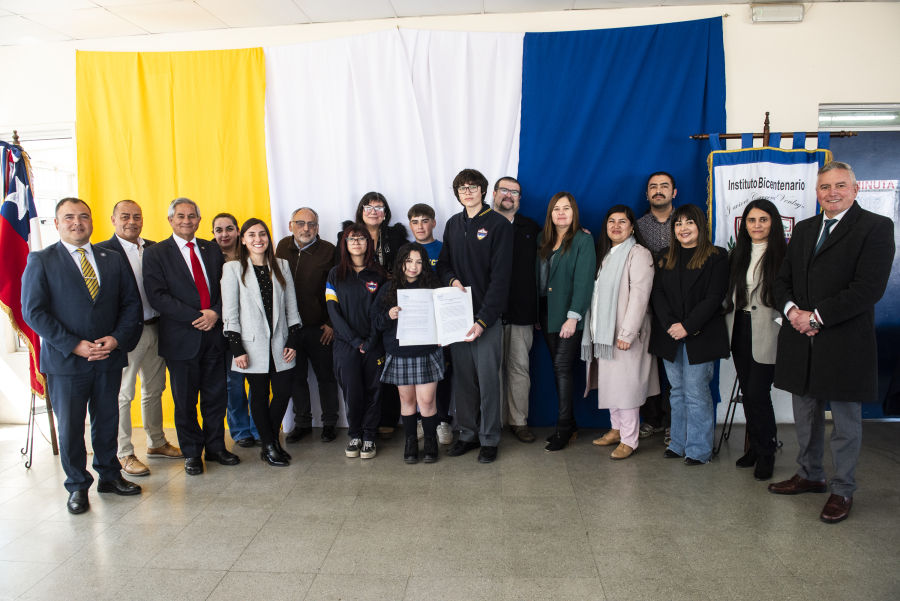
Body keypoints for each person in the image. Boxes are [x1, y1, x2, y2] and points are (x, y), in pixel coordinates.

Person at [768, 161, 894, 524]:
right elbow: (781, 280)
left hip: (843, 343)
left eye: (840, 185)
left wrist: (816, 317)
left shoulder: (876, 227)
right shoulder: (806, 229)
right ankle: (810, 474)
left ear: (856, 189)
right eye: (825, 187)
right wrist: (793, 312)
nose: (832, 192)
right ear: (817, 192)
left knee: (844, 423)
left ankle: (843, 489)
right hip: (799, 339)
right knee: (805, 417)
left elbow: (868, 289)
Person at [22, 198, 143, 514]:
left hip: (108, 358)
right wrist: (74, 344)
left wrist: (116, 340)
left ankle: (109, 476)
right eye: (69, 217)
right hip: (66, 362)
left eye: (84, 216)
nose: (78, 222)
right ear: (57, 222)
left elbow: (131, 304)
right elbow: (34, 312)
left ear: (92, 221)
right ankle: (77, 486)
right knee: (71, 428)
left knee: (107, 420)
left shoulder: (112, 258)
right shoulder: (42, 260)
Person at [144, 198, 239, 476]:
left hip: (214, 335)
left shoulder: (211, 249)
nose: (187, 220)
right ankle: (192, 453)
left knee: (216, 396)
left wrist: (216, 313)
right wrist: (197, 316)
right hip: (181, 338)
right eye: (181, 216)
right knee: (185, 402)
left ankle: (216, 447)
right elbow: (157, 296)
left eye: (192, 216)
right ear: (170, 220)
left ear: (199, 220)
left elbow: (226, 287)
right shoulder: (156, 253)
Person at [95, 200, 182, 478]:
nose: (131, 221)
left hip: (158, 328)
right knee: (124, 394)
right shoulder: (102, 252)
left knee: (155, 389)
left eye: (137, 216)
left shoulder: (155, 248)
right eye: (125, 216)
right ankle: (124, 452)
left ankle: (156, 442)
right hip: (126, 333)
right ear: (113, 219)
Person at [436, 168, 513, 463]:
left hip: (486, 319)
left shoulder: (497, 225)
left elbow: (501, 279)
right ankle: (467, 434)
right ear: (457, 194)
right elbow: (442, 265)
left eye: (473, 187)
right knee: (464, 380)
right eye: (462, 188)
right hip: (457, 318)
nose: (467, 192)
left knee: (488, 381)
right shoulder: (453, 225)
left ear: (483, 191)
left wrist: (483, 320)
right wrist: (453, 280)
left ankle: (490, 439)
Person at [649, 203, 729, 466]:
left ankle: (698, 449)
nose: (683, 228)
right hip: (669, 334)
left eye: (689, 223)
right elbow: (657, 294)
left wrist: (688, 325)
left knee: (696, 393)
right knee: (677, 391)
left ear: (700, 226)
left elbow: (715, 297)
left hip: (700, 335)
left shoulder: (717, 256)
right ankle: (678, 443)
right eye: (678, 223)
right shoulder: (664, 255)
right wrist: (672, 324)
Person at [222, 218, 302, 467]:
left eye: (263, 234)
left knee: (282, 392)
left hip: (281, 343)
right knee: (257, 394)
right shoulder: (233, 269)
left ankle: (269, 440)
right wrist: (237, 349)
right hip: (251, 345)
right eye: (252, 235)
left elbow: (292, 307)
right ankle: (269, 444)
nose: (258, 239)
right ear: (243, 239)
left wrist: (293, 340)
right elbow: (230, 313)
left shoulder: (281, 265)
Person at [583, 205, 658, 459]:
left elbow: (639, 296)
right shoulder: (606, 254)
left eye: (622, 222)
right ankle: (615, 429)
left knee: (626, 389)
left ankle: (630, 439)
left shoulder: (638, 253)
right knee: (611, 385)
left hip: (626, 335)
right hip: (605, 334)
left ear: (632, 226)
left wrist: (627, 334)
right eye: (611, 221)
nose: (616, 226)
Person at [336, 192, 409, 440]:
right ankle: (360, 430)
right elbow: (341, 280)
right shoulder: (346, 238)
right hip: (355, 316)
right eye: (368, 206)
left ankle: (385, 419)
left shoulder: (396, 237)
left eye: (379, 207)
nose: (374, 211)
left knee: (385, 369)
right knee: (357, 381)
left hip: (390, 305)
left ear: (386, 213)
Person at [723, 199, 786, 481]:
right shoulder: (737, 253)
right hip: (739, 327)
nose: (757, 225)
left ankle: (767, 451)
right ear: (744, 224)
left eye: (763, 219)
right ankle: (755, 447)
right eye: (751, 220)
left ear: (773, 222)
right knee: (748, 392)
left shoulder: (784, 254)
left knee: (759, 392)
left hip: (768, 330)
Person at [373, 243, 446, 463]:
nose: (413, 266)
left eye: (418, 261)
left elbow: (444, 319)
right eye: (408, 261)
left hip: (426, 351)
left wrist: (443, 335)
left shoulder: (433, 289)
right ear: (401, 262)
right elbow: (375, 321)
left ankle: (431, 441)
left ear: (424, 265)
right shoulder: (388, 289)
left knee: (427, 400)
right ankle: (411, 441)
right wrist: (389, 315)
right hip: (399, 353)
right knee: (407, 400)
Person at [535, 192, 595, 451]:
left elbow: (584, 282)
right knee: (558, 368)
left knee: (562, 368)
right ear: (550, 213)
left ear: (574, 213)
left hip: (569, 316)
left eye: (566, 208)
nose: (561, 213)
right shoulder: (542, 239)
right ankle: (570, 426)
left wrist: (573, 318)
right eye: (556, 208)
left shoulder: (583, 240)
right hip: (546, 314)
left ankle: (562, 428)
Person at [276, 207, 340, 444]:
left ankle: (330, 423)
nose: (306, 228)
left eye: (311, 224)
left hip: (319, 329)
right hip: (289, 329)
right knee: (296, 378)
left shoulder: (329, 251)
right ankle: (302, 423)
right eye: (300, 223)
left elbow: (337, 288)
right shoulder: (282, 247)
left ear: (317, 227)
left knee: (326, 377)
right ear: (290, 225)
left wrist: (331, 323)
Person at [327, 224, 387, 459]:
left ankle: (370, 436)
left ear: (368, 243)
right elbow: (333, 312)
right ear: (344, 243)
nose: (356, 242)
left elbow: (382, 311)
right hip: (345, 344)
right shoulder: (335, 274)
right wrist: (354, 341)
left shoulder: (379, 275)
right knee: (352, 391)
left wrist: (370, 342)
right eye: (351, 239)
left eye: (361, 238)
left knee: (374, 391)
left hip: (374, 344)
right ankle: (355, 434)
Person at [492, 177, 541, 443]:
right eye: (505, 190)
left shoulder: (530, 227)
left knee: (519, 368)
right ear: (494, 194)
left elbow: (554, 249)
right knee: (491, 370)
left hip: (522, 312)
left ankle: (519, 422)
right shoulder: (482, 224)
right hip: (488, 314)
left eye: (515, 192)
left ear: (519, 199)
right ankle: (494, 422)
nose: (509, 195)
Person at [407, 203, 453, 445]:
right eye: (415, 221)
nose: (420, 226)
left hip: (441, 324)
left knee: (442, 373)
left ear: (434, 223)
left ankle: (443, 421)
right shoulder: (405, 252)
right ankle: (419, 420)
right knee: (413, 375)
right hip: (414, 325)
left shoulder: (445, 250)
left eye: (425, 221)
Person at [636, 172, 676, 444]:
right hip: (647, 306)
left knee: (676, 367)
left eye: (664, 187)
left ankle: (674, 421)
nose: (658, 191)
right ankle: (651, 419)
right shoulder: (637, 225)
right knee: (647, 365)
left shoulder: (687, 222)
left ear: (674, 192)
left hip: (679, 307)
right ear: (647, 194)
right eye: (653, 187)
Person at [213, 213, 260, 448]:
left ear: (238, 233)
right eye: (219, 230)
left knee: (258, 381)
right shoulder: (209, 256)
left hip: (254, 328)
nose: (225, 234)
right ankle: (240, 430)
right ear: (213, 233)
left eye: (230, 229)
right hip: (225, 328)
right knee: (234, 383)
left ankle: (257, 426)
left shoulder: (251, 254)